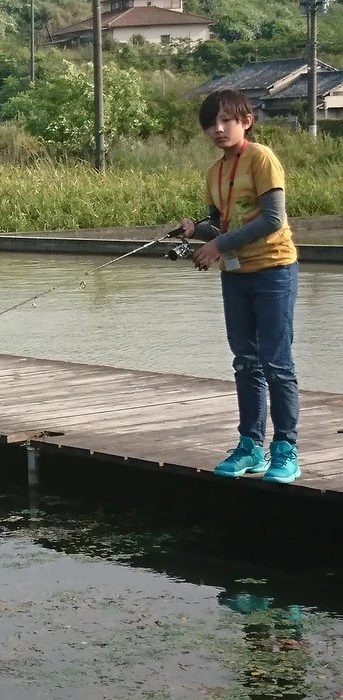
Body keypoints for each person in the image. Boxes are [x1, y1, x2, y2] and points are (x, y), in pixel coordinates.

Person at [177, 89, 300, 484]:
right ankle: (250, 445)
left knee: (276, 362)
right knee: (245, 361)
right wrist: (196, 230)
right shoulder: (214, 171)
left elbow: (272, 219)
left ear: (246, 121)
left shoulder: (261, 157)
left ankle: (286, 449)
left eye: (226, 120)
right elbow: (221, 225)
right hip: (236, 274)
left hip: (273, 269)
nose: (218, 129)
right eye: (210, 124)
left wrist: (217, 245)